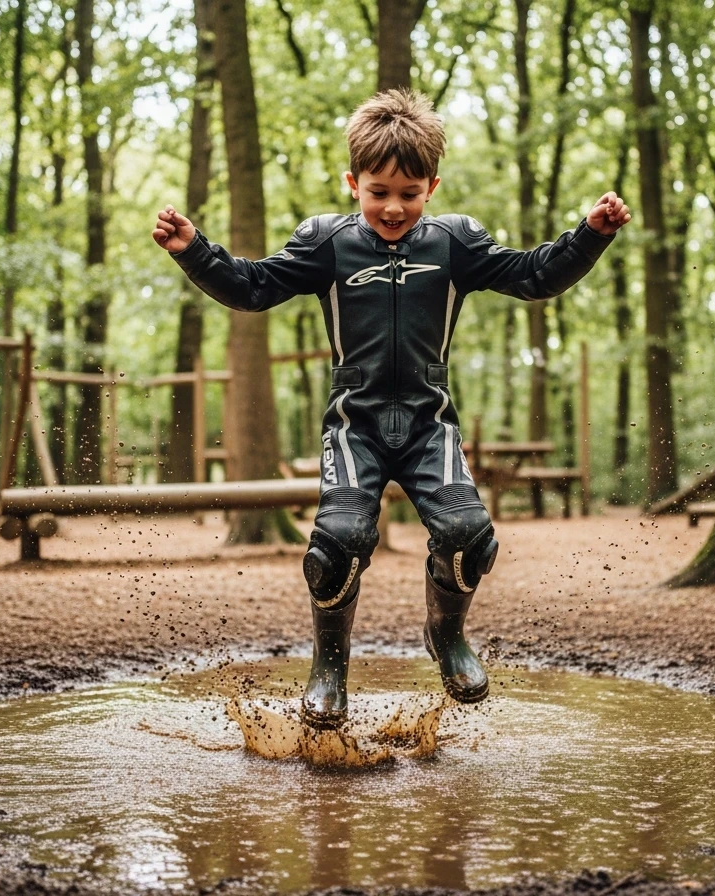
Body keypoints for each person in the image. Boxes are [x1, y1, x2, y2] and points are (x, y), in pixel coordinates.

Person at [152, 89, 631, 729]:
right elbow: (253, 287)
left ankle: (447, 636)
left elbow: (532, 275)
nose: (394, 207)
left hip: (430, 426)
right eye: (379, 191)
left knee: (470, 539)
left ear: (432, 186)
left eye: (409, 192)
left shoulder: (456, 242)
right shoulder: (325, 242)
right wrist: (194, 250)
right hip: (356, 427)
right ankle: (329, 665)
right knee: (338, 543)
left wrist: (589, 237)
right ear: (353, 183)